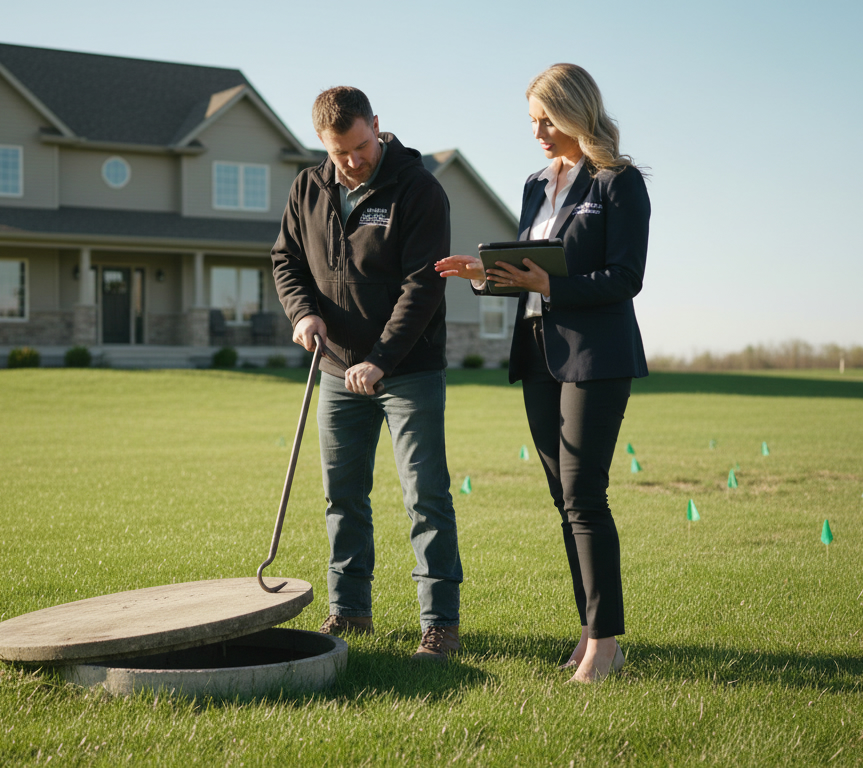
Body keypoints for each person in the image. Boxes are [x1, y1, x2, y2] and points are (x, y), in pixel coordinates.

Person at [435, 64, 650, 682]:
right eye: (532, 121)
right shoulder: (536, 184)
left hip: (595, 357)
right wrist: (485, 275)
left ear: (578, 112)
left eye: (547, 120)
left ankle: (605, 644)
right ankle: (590, 632)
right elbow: (530, 269)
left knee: (585, 496)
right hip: (537, 353)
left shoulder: (619, 182)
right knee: (564, 501)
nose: (538, 133)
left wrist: (551, 286)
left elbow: (625, 278)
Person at [271, 86, 464, 660]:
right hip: (335, 369)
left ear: (376, 125)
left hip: (408, 371)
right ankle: (350, 611)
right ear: (322, 143)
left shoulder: (419, 189)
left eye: (360, 146)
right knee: (343, 497)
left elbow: (423, 285)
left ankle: (440, 624)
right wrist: (302, 313)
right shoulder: (308, 188)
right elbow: (286, 259)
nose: (353, 160)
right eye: (340, 152)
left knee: (425, 498)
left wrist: (380, 359)